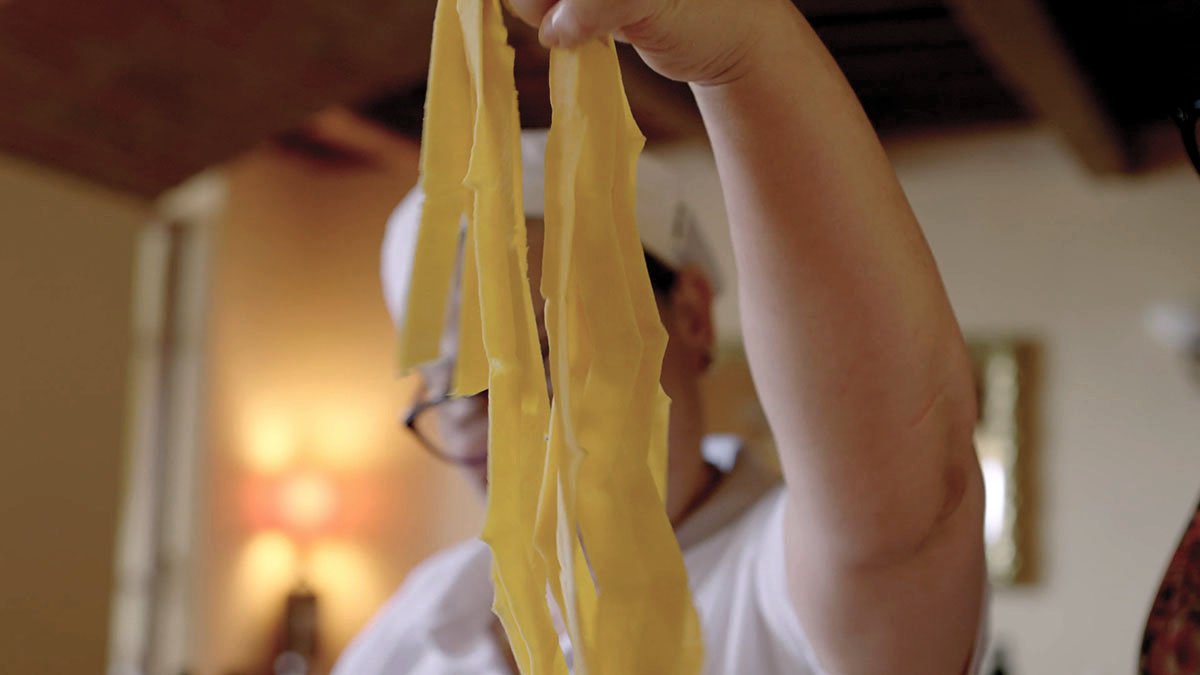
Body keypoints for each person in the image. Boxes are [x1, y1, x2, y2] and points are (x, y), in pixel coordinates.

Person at [337, 0, 989, 672]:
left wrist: (744, 57)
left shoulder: (777, 588)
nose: (498, 417)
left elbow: (903, 516)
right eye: (452, 386)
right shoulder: (427, 617)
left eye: (541, 348)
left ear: (692, 315)